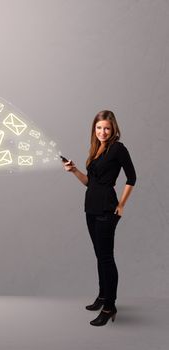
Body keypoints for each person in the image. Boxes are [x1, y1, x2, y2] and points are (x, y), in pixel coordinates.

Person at [63, 110, 136, 327]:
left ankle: (109, 306)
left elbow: (132, 177)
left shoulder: (118, 149)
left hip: (107, 209)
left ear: (113, 129)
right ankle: (103, 296)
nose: (102, 132)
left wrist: (121, 205)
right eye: (98, 128)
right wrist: (75, 170)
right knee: (99, 255)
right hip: (91, 208)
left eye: (106, 128)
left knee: (106, 258)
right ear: (94, 129)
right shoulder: (96, 149)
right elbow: (90, 183)